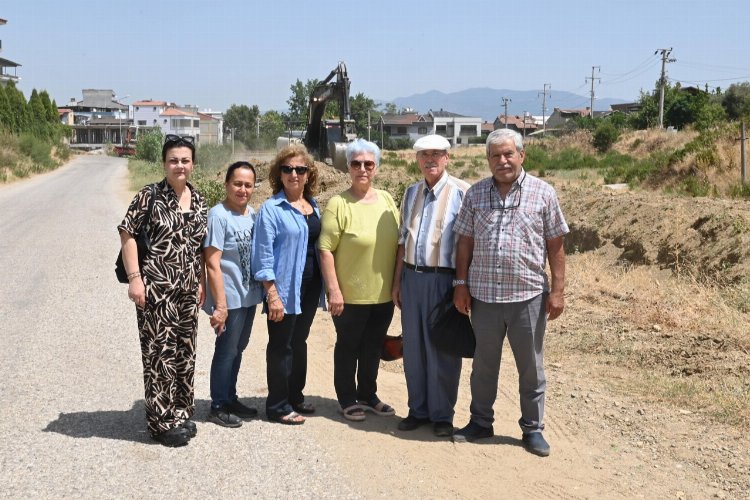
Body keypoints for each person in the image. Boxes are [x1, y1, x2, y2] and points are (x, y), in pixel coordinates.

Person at [452, 128, 569, 457]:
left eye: (508, 154)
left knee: (531, 366)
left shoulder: (543, 193)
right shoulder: (475, 195)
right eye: (495, 155)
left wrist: (557, 291)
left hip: (528, 297)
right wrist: (460, 284)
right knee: (484, 365)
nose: (502, 161)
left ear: (521, 156)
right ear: (487, 159)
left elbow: (556, 245)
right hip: (485, 297)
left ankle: (532, 429)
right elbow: (465, 242)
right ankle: (480, 422)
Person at [117, 134, 207, 447]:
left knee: (184, 353)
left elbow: (198, 248)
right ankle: (159, 423)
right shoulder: (150, 195)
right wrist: (134, 278)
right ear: (164, 163)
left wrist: (201, 284)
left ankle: (180, 412)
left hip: (187, 293)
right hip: (156, 292)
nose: (179, 165)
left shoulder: (198, 200)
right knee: (159, 355)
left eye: (185, 160)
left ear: (193, 163)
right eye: (173, 160)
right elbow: (127, 234)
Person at [391, 134, 470, 437]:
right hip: (413, 278)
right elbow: (402, 241)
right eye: (424, 154)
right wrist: (397, 281)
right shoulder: (411, 193)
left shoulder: (462, 192)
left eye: (437, 154)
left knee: (442, 347)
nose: (430, 159)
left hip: (445, 280)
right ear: (417, 160)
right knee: (413, 347)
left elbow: (467, 243)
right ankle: (418, 409)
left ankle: (442, 415)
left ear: (448, 158)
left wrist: (463, 284)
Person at [318, 139, 400, 422]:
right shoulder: (338, 204)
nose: (362, 169)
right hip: (350, 296)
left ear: (376, 167)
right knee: (349, 346)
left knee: (373, 347)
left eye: (368, 164)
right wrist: (334, 290)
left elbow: (399, 244)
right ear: (348, 168)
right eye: (356, 164)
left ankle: (368, 393)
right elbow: (325, 249)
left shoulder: (388, 200)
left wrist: (397, 283)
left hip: (383, 294)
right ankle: (347, 398)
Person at [252, 144, 324, 425]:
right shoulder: (271, 209)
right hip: (284, 287)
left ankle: (295, 395)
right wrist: (272, 294)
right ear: (279, 174)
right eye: (288, 169)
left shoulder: (313, 205)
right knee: (281, 345)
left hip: (310, 287)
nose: (294, 174)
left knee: (299, 341)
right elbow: (263, 254)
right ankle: (277, 405)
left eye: (300, 169)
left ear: (309, 174)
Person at [203, 161, 264, 428]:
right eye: (237, 184)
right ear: (227, 184)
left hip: (248, 296)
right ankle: (218, 405)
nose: (242, 189)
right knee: (226, 351)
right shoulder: (218, 216)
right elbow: (212, 262)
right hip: (229, 299)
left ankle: (230, 397)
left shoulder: (251, 214)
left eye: (248, 185)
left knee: (238, 349)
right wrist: (221, 305)